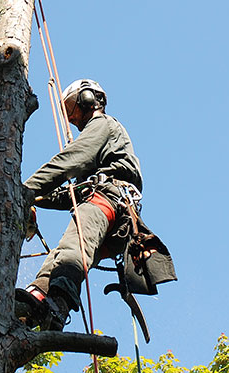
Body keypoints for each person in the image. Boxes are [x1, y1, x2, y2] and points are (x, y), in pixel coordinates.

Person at [16, 78, 144, 330]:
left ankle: (57, 305)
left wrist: (23, 191)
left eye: (72, 107)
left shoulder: (103, 124)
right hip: (111, 216)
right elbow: (72, 194)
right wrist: (36, 200)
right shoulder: (100, 164)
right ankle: (34, 304)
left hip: (110, 200)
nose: (72, 119)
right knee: (62, 255)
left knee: (73, 249)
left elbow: (73, 159)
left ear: (89, 99)